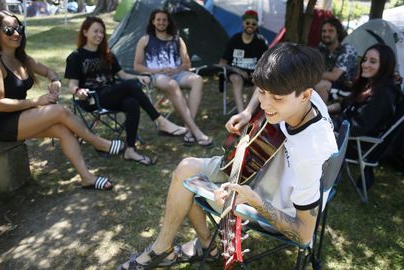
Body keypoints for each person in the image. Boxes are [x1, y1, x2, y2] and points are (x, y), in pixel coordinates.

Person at [118, 43, 338, 269]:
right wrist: (247, 112)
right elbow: (268, 86)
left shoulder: (309, 152)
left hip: (274, 207)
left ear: (305, 95)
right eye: (262, 92)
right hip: (262, 165)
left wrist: (254, 201)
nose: (266, 104)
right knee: (186, 167)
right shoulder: (300, 88)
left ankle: (190, 248)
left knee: (188, 185)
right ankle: (183, 247)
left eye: (278, 99)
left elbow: (303, 234)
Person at [0, 11, 121, 190]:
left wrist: (55, 82)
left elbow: (49, 72)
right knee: (59, 111)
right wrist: (38, 101)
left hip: (19, 115)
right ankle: (98, 142)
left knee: (63, 130)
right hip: (1, 123)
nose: (16, 34)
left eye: (19, 28)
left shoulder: (21, 59)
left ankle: (87, 177)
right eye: (9, 30)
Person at [65, 16, 187, 166]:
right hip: (93, 98)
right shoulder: (76, 57)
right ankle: (159, 120)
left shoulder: (107, 54)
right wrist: (78, 91)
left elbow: (123, 75)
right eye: (95, 31)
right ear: (85, 32)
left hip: (112, 94)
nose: (99, 35)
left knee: (132, 102)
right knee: (130, 86)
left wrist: (139, 77)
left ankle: (130, 149)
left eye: (102, 32)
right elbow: (72, 84)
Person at [328, 43, 404, 189]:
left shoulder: (382, 94)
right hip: (345, 132)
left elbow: (357, 127)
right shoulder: (370, 84)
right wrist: (324, 109)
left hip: (356, 144)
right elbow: (345, 104)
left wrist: (326, 123)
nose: (365, 64)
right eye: (365, 59)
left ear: (385, 65)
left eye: (373, 61)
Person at [133, 8, 213, 147]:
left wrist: (176, 69)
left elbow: (187, 63)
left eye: (164, 20)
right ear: (153, 22)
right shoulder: (145, 40)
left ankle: (189, 130)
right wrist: (157, 70)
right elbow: (137, 66)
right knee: (172, 85)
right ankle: (195, 131)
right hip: (157, 76)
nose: (161, 22)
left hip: (177, 73)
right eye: (158, 19)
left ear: (169, 22)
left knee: (198, 80)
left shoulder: (177, 39)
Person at [218, 9, 268, 112]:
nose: (250, 25)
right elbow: (222, 63)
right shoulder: (234, 40)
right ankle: (241, 113)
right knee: (237, 79)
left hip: (254, 74)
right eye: (248, 23)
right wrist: (238, 71)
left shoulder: (261, 42)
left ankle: (249, 110)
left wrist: (256, 73)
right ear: (243, 23)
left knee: (259, 82)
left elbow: (266, 64)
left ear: (257, 26)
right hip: (235, 72)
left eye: (254, 24)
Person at [315, 18, 358, 102]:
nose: (326, 34)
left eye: (330, 31)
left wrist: (311, 74)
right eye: (324, 31)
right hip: (328, 84)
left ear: (338, 33)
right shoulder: (322, 48)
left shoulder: (346, 49)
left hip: (346, 88)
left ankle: (320, 113)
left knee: (321, 85)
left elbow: (334, 76)